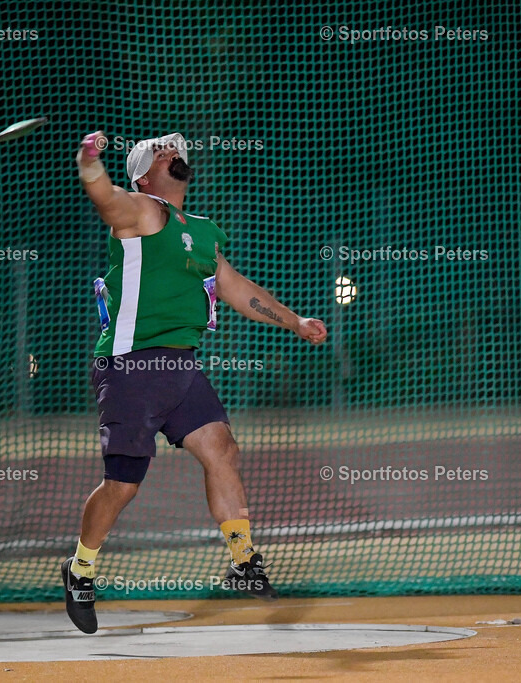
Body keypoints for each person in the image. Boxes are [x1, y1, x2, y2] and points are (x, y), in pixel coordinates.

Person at [62, 131, 327, 634]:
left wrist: (294, 322)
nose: (174, 154)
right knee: (123, 484)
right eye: (162, 151)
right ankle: (80, 570)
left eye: (177, 151)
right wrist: (90, 161)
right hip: (131, 366)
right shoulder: (141, 209)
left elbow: (237, 289)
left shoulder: (201, 231)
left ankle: (243, 562)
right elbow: (104, 196)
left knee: (221, 447)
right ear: (143, 173)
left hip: (180, 366)